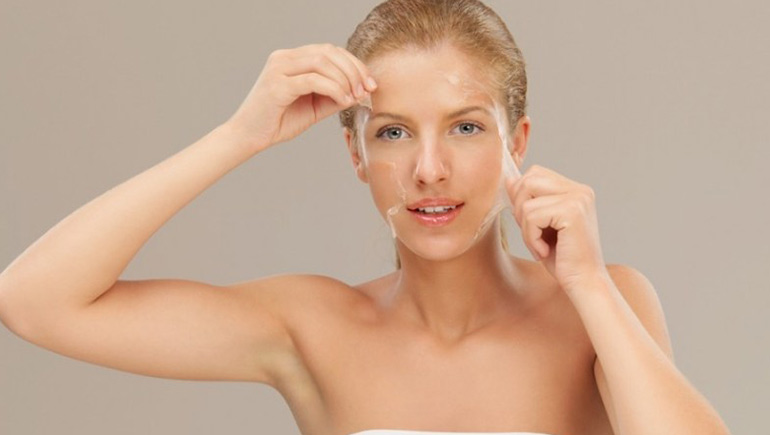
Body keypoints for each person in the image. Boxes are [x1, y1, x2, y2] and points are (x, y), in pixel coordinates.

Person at [0, 1, 731, 434]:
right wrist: (238, 136)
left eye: (466, 127)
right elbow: (34, 301)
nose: (429, 169)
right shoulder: (311, 327)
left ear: (519, 143)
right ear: (355, 152)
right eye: (393, 132)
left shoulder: (605, 305)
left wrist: (590, 285)